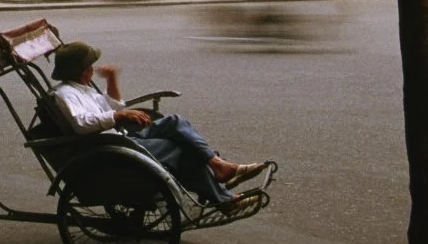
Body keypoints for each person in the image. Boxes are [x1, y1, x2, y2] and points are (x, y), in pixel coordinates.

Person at [49, 41, 269, 212]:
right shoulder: (65, 94)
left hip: (120, 134)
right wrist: (118, 115)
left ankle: (218, 167)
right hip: (108, 144)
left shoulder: (83, 88)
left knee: (175, 122)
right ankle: (222, 189)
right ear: (82, 70)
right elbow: (81, 124)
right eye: (89, 65)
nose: (92, 67)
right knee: (182, 149)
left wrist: (112, 80)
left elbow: (113, 105)